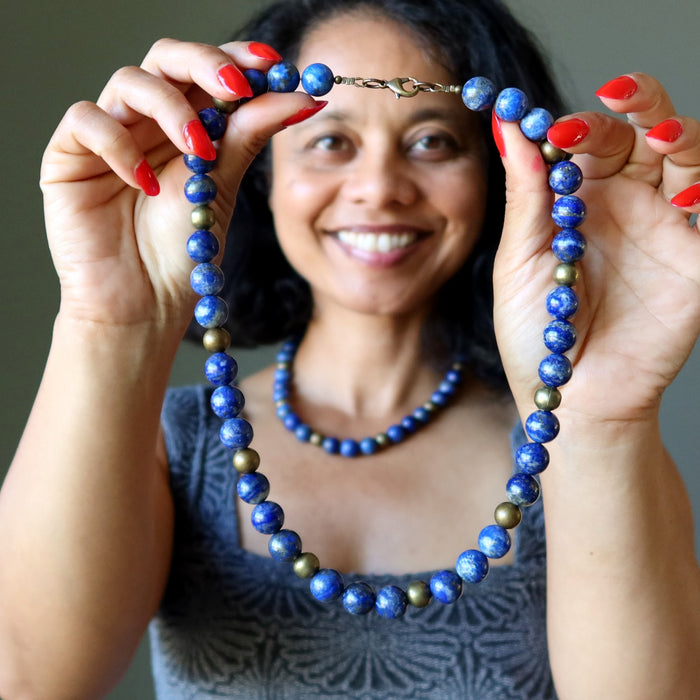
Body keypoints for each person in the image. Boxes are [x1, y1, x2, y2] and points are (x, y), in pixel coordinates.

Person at [0, 0, 698, 697]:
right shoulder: (173, 449)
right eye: (330, 141)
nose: (379, 190)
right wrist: (110, 318)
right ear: (260, 172)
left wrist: (594, 423)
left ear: (496, 174)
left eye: (433, 141)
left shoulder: (572, 448)